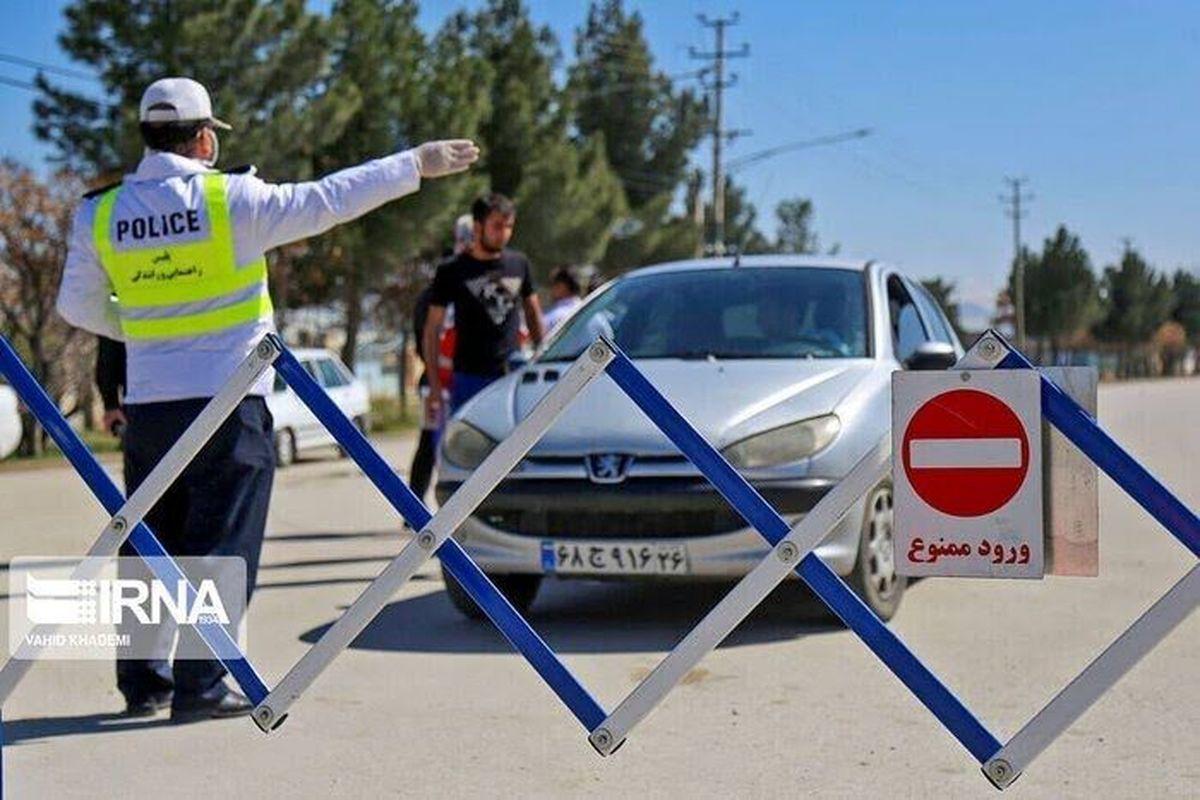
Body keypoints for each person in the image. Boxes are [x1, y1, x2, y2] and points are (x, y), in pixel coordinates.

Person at [56, 76, 479, 722]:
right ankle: (199, 686)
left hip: (150, 406)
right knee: (221, 541)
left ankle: (143, 681)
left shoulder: (101, 212)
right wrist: (411, 165)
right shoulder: (232, 201)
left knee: (147, 540)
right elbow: (329, 198)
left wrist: (145, 329)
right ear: (204, 138)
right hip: (229, 402)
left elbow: (75, 305)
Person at [422, 193, 544, 419]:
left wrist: (543, 357)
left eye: (509, 226)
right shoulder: (452, 270)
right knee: (468, 449)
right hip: (469, 378)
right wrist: (435, 387)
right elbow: (432, 329)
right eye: (497, 226)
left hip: (513, 373)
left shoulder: (519, 263)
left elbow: (533, 311)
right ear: (478, 227)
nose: (504, 233)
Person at [407, 216, 470, 501]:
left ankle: (417, 503)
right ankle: (416, 502)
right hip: (437, 382)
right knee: (432, 444)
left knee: (436, 444)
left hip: (452, 380)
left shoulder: (435, 296)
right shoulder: (434, 298)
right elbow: (425, 339)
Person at [541, 267, 583, 333]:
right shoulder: (590, 312)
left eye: (552, 283)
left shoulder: (553, 316)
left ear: (561, 286)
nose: (551, 289)